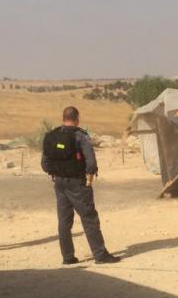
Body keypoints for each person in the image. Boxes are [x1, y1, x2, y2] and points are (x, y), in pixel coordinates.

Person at [41, 106, 119, 266]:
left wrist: (55, 172)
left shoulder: (52, 135)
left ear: (64, 118)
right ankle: (100, 254)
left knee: (64, 221)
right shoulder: (80, 135)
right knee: (89, 217)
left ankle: (68, 257)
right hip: (77, 182)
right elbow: (91, 161)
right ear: (77, 118)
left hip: (59, 182)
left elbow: (44, 162)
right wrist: (90, 177)